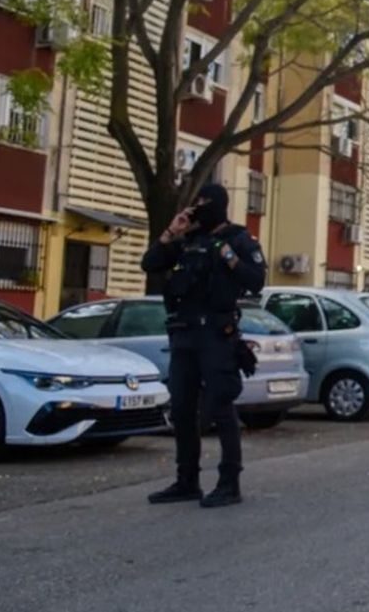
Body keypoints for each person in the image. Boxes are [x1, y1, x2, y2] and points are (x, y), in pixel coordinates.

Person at [141, 183, 267, 509]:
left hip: (216, 335)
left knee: (221, 407)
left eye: (205, 203)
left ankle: (229, 482)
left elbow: (255, 280)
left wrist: (227, 255)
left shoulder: (239, 239)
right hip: (184, 335)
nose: (199, 209)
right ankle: (187, 481)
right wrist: (172, 230)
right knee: (183, 410)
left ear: (220, 206)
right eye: (196, 203)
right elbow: (150, 263)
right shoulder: (189, 242)